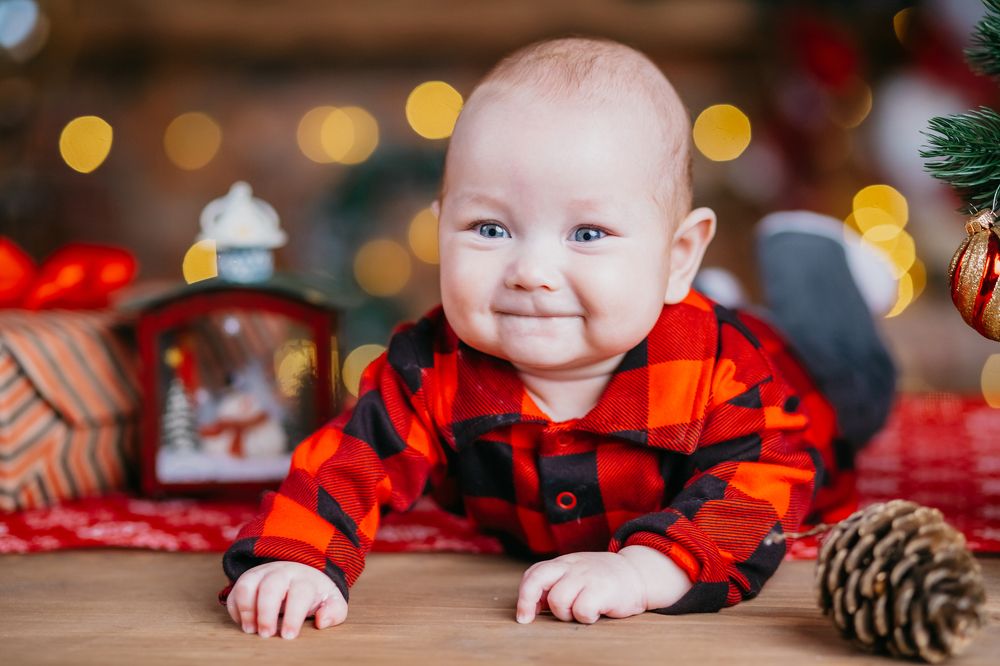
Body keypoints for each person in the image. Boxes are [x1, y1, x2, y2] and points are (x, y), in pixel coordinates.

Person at [220, 37, 895, 639]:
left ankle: (821, 269)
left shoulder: (724, 370)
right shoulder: (430, 365)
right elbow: (350, 462)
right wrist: (297, 559)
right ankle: (707, 288)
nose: (531, 272)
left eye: (587, 234)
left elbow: (763, 488)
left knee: (850, 378)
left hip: (808, 385)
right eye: (490, 229)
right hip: (666, 300)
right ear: (441, 225)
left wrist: (646, 569)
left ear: (677, 256)